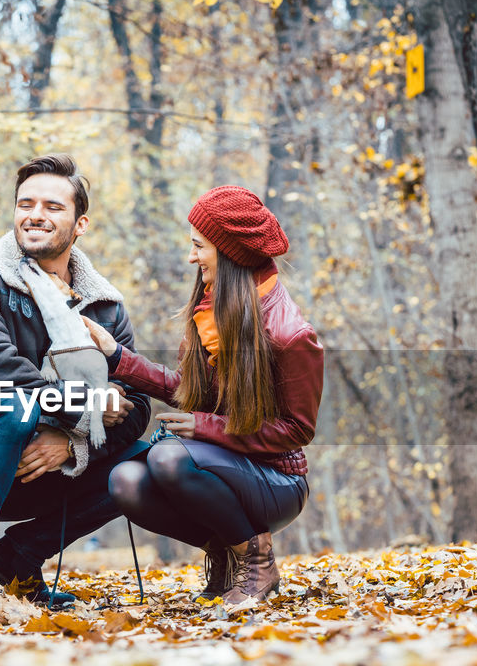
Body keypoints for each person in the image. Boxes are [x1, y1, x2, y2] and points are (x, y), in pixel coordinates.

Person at [0, 154, 151, 610]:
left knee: (144, 462)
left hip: (39, 469)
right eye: (25, 203)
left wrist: (70, 442)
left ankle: (18, 558)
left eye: (53, 207)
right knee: (14, 405)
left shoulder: (105, 307)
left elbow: (136, 407)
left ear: (80, 224)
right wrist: (87, 410)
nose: (35, 214)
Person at [83, 186, 323, 605]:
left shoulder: (289, 335)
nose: (191, 257)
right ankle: (226, 553)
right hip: (220, 466)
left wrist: (204, 426)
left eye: (199, 246)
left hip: (276, 480)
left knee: (168, 457)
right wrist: (117, 357)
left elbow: (297, 430)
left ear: (229, 253)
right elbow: (188, 389)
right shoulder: (212, 311)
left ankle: (257, 559)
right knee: (125, 481)